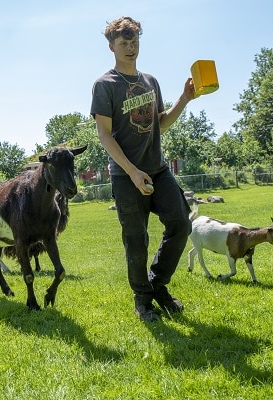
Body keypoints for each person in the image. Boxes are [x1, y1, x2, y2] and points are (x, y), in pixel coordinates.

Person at [90, 16, 195, 322]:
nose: (130, 47)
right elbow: (104, 135)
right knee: (136, 239)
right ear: (111, 46)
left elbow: (159, 123)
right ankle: (143, 301)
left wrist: (184, 99)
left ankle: (158, 285)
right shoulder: (105, 85)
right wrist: (133, 172)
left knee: (180, 224)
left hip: (158, 170)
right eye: (124, 43)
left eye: (134, 41)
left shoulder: (151, 81)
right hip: (126, 176)